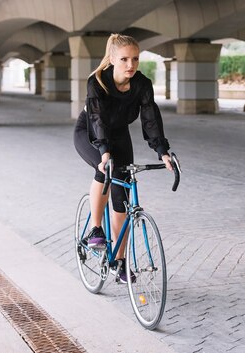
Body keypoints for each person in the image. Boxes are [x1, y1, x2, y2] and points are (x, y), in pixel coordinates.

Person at [73, 33, 172, 283]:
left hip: (119, 134)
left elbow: (150, 118)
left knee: (122, 195)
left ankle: (119, 261)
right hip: (90, 132)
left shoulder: (142, 84)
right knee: (105, 170)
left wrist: (162, 151)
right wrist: (104, 151)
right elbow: (96, 119)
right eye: (125, 59)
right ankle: (96, 229)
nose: (131, 65)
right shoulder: (97, 82)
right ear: (113, 59)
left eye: (135, 59)